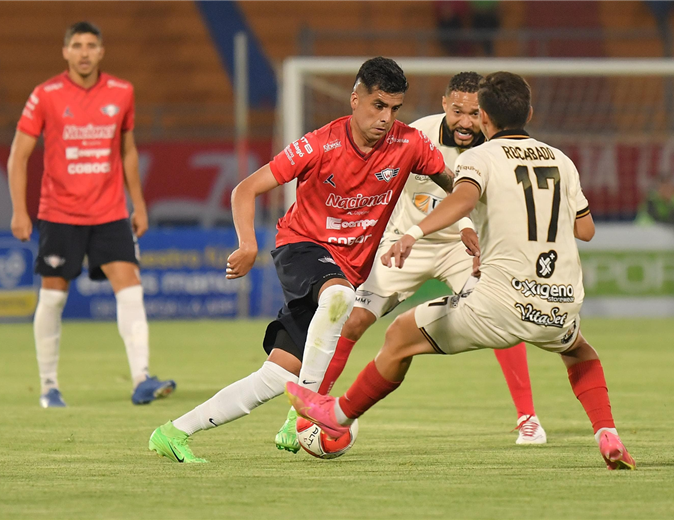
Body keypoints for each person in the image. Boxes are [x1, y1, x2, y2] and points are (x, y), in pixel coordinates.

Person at [286, 71, 637, 471]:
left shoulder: (480, 157)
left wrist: (417, 231)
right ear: (530, 113)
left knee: (400, 335)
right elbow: (585, 230)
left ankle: (338, 415)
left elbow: (461, 200)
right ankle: (607, 432)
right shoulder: (561, 160)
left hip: (494, 293)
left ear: (485, 116)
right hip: (559, 301)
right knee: (579, 351)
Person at [148, 57, 452, 463]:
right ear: (355, 99)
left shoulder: (409, 144)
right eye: (378, 105)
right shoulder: (319, 144)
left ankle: (172, 432)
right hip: (303, 248)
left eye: (394, 109)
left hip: (345, 270)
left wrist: (471, 222)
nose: (386, 118)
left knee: (276, 375)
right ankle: (308, 411)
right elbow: (245, 189)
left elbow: (459, 186)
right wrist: (247, 244)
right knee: (340, 299)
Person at [273, 71, 546, 454]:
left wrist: (478, 230)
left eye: (473, 113)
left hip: (461, 249)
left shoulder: (495, 144)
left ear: (484, 114)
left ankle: (528, 419)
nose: (465, 122)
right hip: (405, 243)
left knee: (497, 315)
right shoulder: (415, 135)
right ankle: (302, 412)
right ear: (444, 104)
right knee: (351, 320)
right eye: (457, 111)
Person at [7, 21, 175, 408]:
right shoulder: (45, 95)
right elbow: (18, 153)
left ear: (102, 52)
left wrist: (139, 204)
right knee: (52, 298)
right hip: (60, 213)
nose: (84, 52)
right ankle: (49, 386)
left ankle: (141, 379)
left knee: (130, 286)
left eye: (91, 45)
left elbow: (127, 150)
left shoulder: (122, 92)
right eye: (77, 45)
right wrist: (20, 210)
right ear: (65, 52)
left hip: (110, 211)